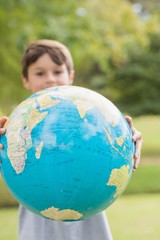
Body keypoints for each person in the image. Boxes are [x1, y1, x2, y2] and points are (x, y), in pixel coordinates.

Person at [0, 39, 143, 240]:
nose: (50, 79)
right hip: (38, 232)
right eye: (40, 73)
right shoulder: (17, 127)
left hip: (90, 229)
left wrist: (126, 141)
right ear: (25, 79)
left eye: (58, 71)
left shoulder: (94, 118)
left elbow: (110, 141)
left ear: (71, 76)